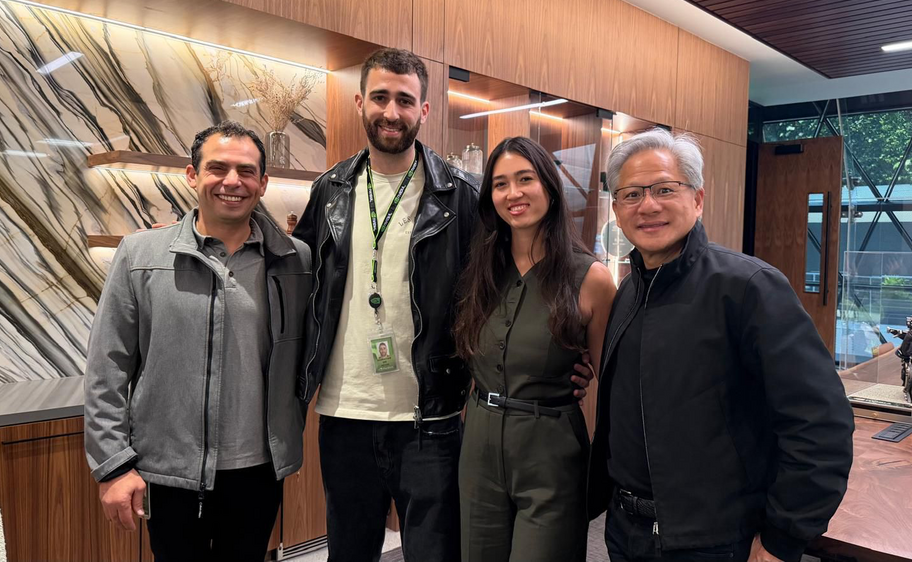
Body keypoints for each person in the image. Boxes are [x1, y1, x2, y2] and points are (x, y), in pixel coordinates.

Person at [292, 48, 593, 561]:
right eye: (381, 98)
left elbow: (522, 265)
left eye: (405, 100)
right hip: (344, 414)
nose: (392, 112)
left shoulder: (460, 195)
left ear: (424, 111)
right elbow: (295, 266)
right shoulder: (331, 190)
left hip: (430, 418)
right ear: (360, 102)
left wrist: (566, 353)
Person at [588, 128, 854, 562]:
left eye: (664, 189)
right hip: (625, 531)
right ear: (616, 211)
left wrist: (782, 538)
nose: (648, 205)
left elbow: (821, 425)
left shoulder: (749, 288)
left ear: (698, 199)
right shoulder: (628, 293)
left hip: (714, 542)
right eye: (632, 194)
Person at [84, 120, 312, 561]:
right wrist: (112, 466)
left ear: (263, 183)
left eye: (246, 171)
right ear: (192, 175)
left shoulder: (292, 260)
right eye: (217, 168)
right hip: (168, 472)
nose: (232, 181)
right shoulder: (140, 255)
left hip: (258, 470)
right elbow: (107, 367)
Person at [453, 137, 616, 562]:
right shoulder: (481, 271)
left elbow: (608, 384)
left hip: (551, 451)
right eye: (501, 184)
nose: (514, 194)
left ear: (549, 186)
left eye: (525, 179)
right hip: (480, 448)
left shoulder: (592, 279)